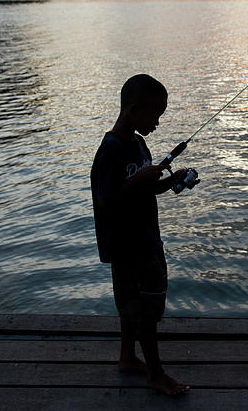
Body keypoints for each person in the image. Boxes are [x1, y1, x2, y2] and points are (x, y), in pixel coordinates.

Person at [90, 74, 191, 396]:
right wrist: (137, 182)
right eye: (154, 115)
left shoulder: (138, 143)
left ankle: (127, 357)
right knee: (147, 308)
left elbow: (144, 190)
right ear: (133, 110)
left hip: (147, 236)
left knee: (132, 305)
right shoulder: (110, 150)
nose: (157, 122)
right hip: (128, 245)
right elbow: (105, 202)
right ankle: (156, 375)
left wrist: (172, 182)